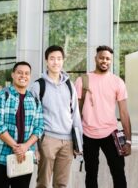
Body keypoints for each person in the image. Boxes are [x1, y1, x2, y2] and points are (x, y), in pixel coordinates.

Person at [74, 45, 132, 188]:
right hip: (88, 134)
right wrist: (75, 140)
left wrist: (129, 141)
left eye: (108, 59)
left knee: (118, 172)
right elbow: (75, 112)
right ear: (95, 59)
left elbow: (124, 113)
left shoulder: (118, 82)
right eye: (101, 58)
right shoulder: (82, 80)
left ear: (111, 61)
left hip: (111, 133)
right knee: (91, 174)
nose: (104, 61)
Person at [30, 45, 83, 188]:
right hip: (47, 139)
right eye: (52, 58)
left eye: (59, 59)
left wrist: (79, 142)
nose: (56, 62)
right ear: (46, 61)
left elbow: (75, 114)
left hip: (68, 141)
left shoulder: (69, 85)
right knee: (43, 183)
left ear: (63, 61)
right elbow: (32, 118)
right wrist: (34, 146)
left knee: (62, 184)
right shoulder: (38, 86)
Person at [0, 61, 44, 188]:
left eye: (26, 73)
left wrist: (25, 147)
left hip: (24, 159)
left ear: (30, 76)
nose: (23, 76)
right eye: (19, 73)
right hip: (0, 157)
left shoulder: (34, 100)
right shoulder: (1, 96)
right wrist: (17, 148)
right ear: (13, 75)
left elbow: (39, 127)